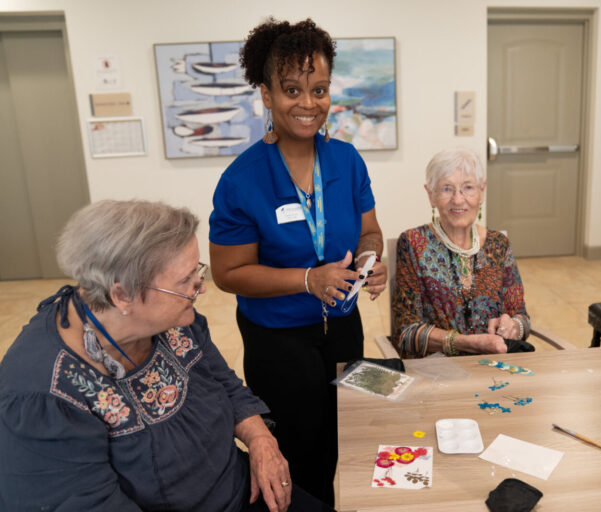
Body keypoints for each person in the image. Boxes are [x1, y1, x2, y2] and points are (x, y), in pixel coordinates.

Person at [0, 200, 331, 512]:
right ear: (122, 294)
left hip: (240, 488)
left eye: (197, 272)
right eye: (185, 280)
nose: (200, 287)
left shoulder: (172, 319)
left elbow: (223, 383)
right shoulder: (43, 393)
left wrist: (260, 440)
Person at [208, 17, 386, 507]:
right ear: (266, 94)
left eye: (319, 89)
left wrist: (372, 259)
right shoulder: (241, 180)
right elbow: (227, 273)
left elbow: (370, 231)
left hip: (344, 329)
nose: (308, 104)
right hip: (278, 342)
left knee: (347, 444)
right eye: (292, 89)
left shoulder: (348, 161)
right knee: (301, 456)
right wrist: (308, 280)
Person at [392, 148, 531, 358]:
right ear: (431, 195)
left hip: (494, 368)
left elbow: (522, 317)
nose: (458, 200)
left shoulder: (499, 244)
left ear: (482, 191)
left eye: (468, 187)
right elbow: (406, 332)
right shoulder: (413, 244)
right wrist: (469, 343)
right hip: (436, 374)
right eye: (447, 189)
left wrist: (513, 326)